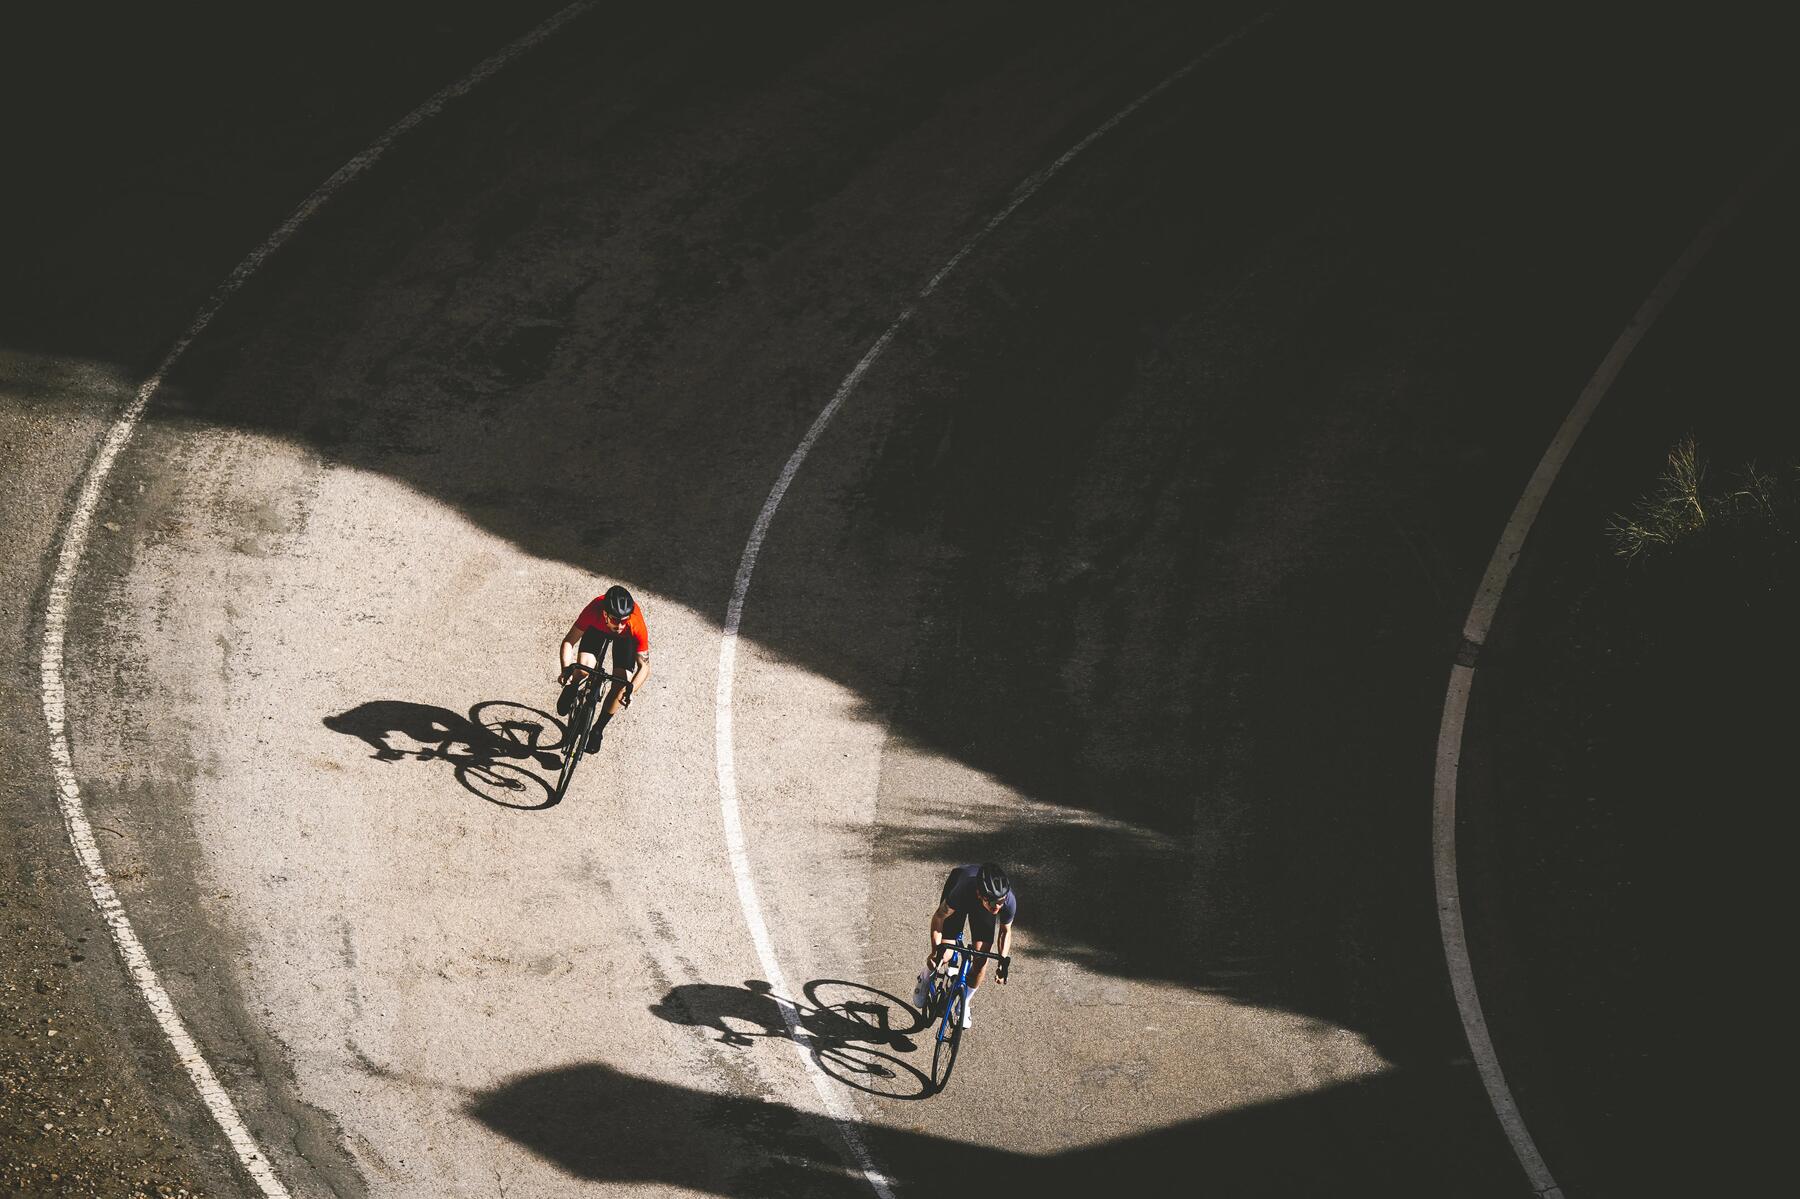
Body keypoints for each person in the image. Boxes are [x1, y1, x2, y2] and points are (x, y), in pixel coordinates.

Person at [911, 862, 1016, 1028]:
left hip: (982, 910)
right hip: (959, 894)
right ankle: (924, 977)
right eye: (993, 902)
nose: (998, 906)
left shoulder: (1007, 900)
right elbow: (939, 918)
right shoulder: (963, 890)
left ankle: (964, 1001)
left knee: (981, 962)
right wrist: (935, 951)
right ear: (980, 894)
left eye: (1001, 901)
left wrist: (1003, 962)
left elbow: (1005, 931)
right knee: (944, 956)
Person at [557, 584, 651, 752]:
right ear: (605, 613)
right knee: (584, 668)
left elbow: (644, 666)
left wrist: (631, 690)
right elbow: (569, 642)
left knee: (621, 685)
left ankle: (598, 729)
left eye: (624, 620)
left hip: (626, 641)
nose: (620, 626)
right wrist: (566, 670)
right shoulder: (594, 610)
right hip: (597, 629)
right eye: (615, 620)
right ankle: (572, 687)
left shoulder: (634, 625)